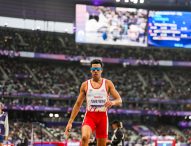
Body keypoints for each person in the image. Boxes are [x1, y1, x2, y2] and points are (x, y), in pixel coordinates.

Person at [65, 59, 122, 146]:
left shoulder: (107, 83)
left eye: (98, 69)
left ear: (101, 70)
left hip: (102, 117)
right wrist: (70, 122)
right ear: (91, 70)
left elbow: (119, 100)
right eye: (93, 69)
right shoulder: (85, 85)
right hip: (90, 116)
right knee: (84, 137)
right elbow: (78, 104)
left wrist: (112, 102)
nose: (95, 71)